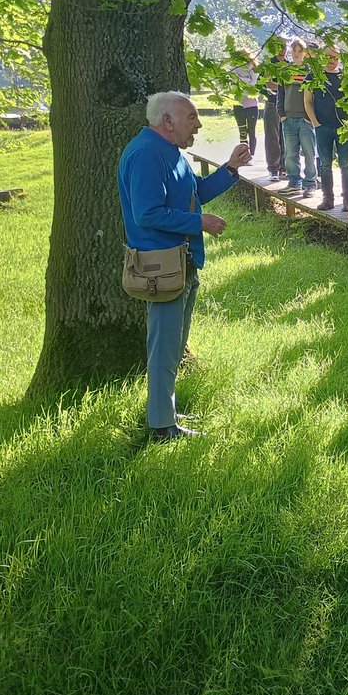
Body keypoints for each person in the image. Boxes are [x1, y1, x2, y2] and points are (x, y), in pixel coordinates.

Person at [118, 92, 251, 440]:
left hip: (182, 263)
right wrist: (199, 223)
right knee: (164, 349)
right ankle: (161, 426)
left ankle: (166, 411)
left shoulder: (171, 153)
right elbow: (146, 214)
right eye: (192, 117)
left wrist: (231, 169)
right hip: (160, 268)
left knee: (175, 346)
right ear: (168, 121)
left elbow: (195, 193)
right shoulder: (147, 154)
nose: (199, 124)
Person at [304, 44, 348, 212]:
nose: (331, 61)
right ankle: (328, 199)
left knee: (345, 164)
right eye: (328, 57)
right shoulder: (314, 77)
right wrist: (315, 122)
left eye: (335, 57)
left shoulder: (346, 76)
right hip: (323, 126)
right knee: (325, 164)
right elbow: (308, 101)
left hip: (343, 127)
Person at [278, 38, 317, 198]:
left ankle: (310, 183)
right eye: (294, 50)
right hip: (288, 118)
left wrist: (311, 117)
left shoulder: (310, 71)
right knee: (290, 153)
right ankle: (294, 182)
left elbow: (315, 96)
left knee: (309, 152)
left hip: (305, 119)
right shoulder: (285, 70)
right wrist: (281, 114)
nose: (296, 54)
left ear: (305, 53)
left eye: (300, 51)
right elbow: (280, 93)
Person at [260, 43, 286, 181]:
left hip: (287, 104)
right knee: (272, 137)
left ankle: (284, 168)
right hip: (272, 103)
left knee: (286, 137)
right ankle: (273, 169)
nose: (282, 50)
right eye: (279, 47)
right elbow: (269, 84)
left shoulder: (289, 65)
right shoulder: (269, 65)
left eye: (284, 47)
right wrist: (285, 85)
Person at [232, 52, 259, 157]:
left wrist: (240, 79)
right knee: (242, 131)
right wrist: (245, 80)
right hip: (238, 103)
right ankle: (243, 155)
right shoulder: (235, 67)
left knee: (251, 131)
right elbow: (233, 79)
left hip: (251, 104)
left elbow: (253, 83)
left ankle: (251, 154)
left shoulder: (253, 68)